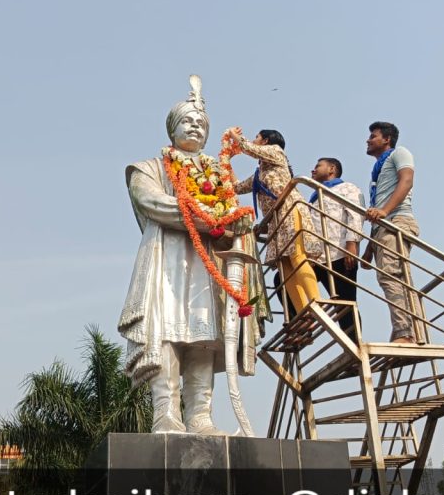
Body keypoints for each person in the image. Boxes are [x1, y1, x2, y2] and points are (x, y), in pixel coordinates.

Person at [118, 76, 227, 435]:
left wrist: (229, 222)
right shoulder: (147, 168)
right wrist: (205, 216)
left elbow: (230, 215)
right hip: (166, 256)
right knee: (164, 331)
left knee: (204, 334)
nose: (195, 127)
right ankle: (165, 412)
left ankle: (200, 415)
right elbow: (151, 201)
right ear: (172, 128)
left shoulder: (219, 176)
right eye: (187, 121)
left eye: (201, 123)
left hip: (207, 262)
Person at [231, 128, 321, 314]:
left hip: (289, 209)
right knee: (284, 264)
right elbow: (237, 188)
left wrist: (233, 135)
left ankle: (316, 302)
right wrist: (227, 162)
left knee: (297, 256)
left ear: (265, 141)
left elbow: (248, 148)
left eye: (257, 137)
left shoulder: (276, 151)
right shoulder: (261, 172)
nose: (254, 140)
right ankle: (303, 311)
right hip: (276, 219)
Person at [362, 121, 422, 343]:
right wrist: (369, 249)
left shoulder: (400, 153)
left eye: (373, 136)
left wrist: (385, 211)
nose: (368, 140)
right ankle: (412, 332)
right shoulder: (377, 171)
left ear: (387, 139)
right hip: (384, 227)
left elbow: (406, 181)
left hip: (397, 220)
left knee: (391, 275)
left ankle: (405, 333)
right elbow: (378, 207)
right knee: (397, 276)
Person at [308, 157, 364, 338]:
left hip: (340, 254)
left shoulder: (347, 188)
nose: (313, 170)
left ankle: (354, 346)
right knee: (282, 280)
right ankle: (304, 324)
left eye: (318, 166)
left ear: (332, 169)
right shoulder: (314, 197)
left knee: (345, 305)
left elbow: (355, 215)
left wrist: (352, 244)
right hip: (318, 258)